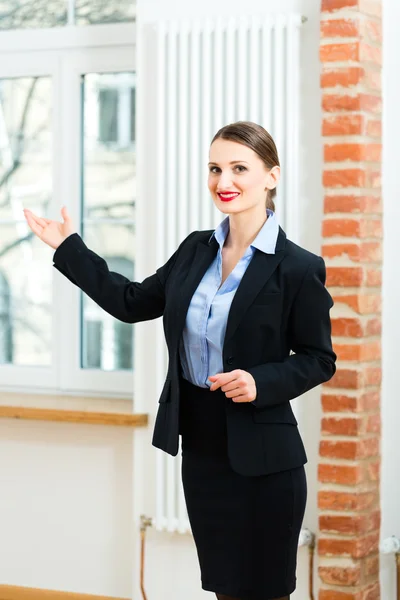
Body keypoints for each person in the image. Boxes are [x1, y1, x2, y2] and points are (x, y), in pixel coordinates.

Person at [23, 121, 336, 600]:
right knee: (224, 589)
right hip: (204, 452)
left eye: (238, 168)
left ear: (271, 176)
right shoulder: (195, 250)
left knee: (265, 592)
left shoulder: (297, 267)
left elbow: (319, 359)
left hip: (265, 460)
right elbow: (130, 303)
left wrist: (260, 380)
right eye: (215, 168)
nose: (223, 182)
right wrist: (70, 249)